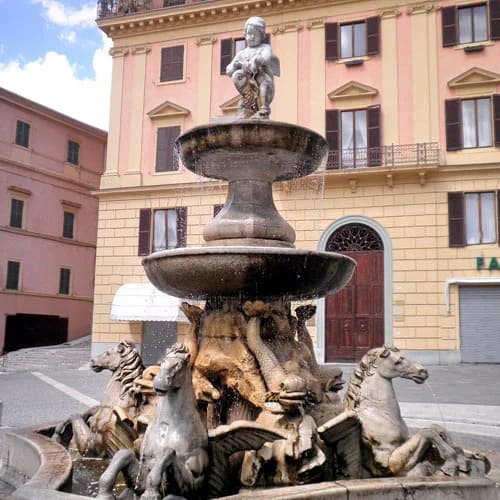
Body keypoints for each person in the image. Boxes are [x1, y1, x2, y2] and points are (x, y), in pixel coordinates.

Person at [226, 16, 280, 118]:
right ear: (245, 35)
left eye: (256, 35)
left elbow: (267, 57)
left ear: (262, 36)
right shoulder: (242, 53)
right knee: (237, 75)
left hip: (263, 79)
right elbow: (228, 70)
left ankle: (264, 107)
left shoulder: (265, 48)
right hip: (249, 83)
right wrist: (234, 65)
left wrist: (259, 60)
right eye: (249, 34)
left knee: (264, 82)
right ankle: (248, 101)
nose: (252, 37)